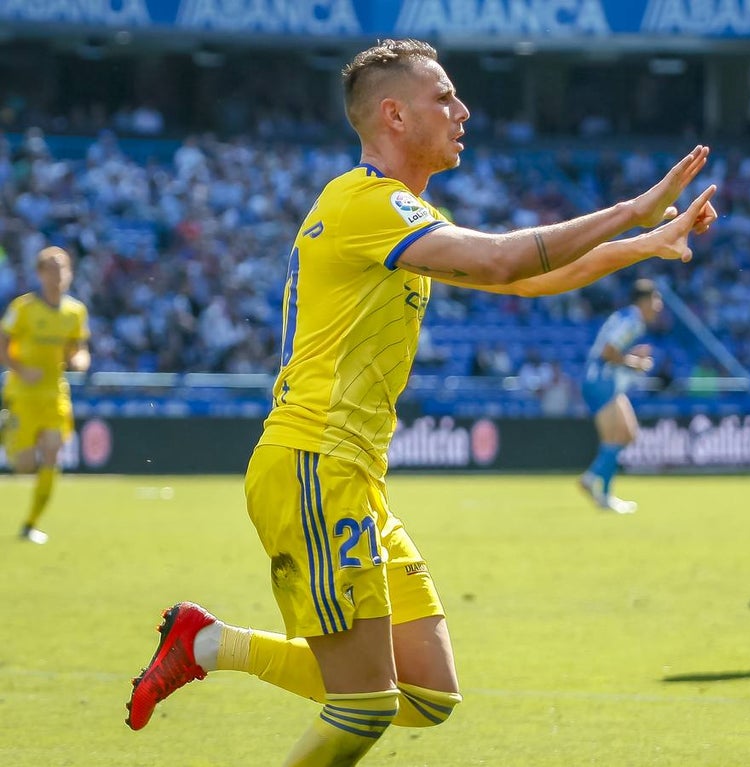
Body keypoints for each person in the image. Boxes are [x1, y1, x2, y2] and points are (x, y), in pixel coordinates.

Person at [124, 38, 717, 766]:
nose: (463, 111)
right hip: (315, 461)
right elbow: (502, 259)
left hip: (351, 475)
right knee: (365, 706)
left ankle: (208, 644)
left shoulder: (397, 214)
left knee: (428, 693)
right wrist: (631, 210)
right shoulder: (364, 202)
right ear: (395, 115)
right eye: (444, 97)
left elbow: (522, 279)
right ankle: (207, 645)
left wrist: (646, 243)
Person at [0, 246, 91, 544]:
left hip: (55, 393)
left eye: (62, 268)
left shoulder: (75, 312)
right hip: (23, 394)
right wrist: (20, 369)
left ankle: (31, 523)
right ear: (39, 274)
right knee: (24, 465)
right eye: (51, 268)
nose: (57, 274)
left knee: (52, 451)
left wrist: (80, 361)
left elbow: (78, 348)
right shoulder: (23, 308)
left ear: (70, 273)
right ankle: (6, 429)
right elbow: (2, 344)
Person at [577, 278, 664, 514]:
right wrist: (634, 362)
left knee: (627, 434)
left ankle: (599, 488)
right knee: (615, 437)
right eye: (656, 300)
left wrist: (631, 357)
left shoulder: (627, 317)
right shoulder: (633, 320)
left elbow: (611, 349)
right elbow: (608, 352)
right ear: (644, 301)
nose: (659, 306)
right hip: (601, 382)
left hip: (604, 381)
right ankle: (596, 485)